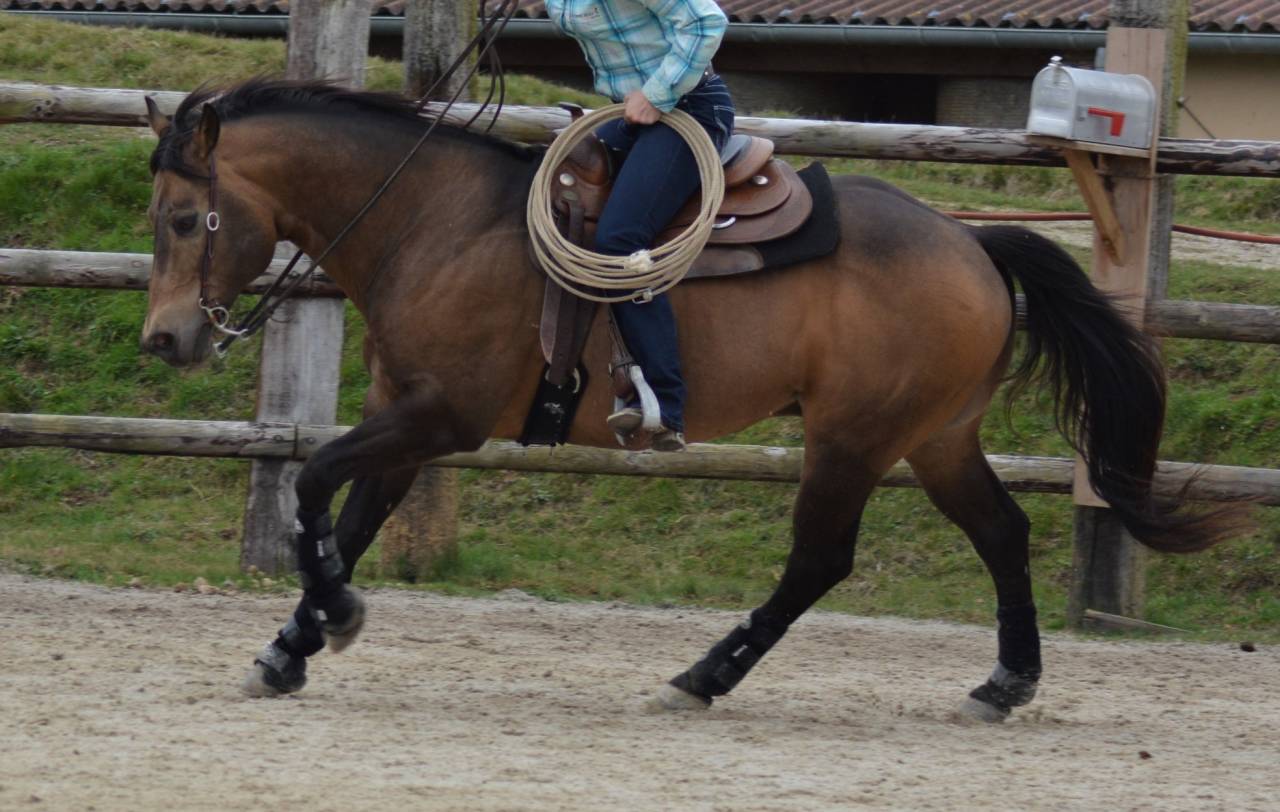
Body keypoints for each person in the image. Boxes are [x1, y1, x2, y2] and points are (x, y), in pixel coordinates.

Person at [546, 0, 734, 452]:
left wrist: (656, 93)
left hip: (688, 110)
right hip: (628, 116)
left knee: (618, 240)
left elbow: (706, 21)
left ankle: (666, 402)